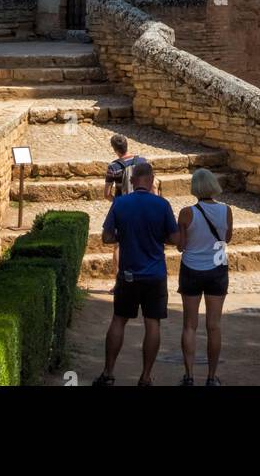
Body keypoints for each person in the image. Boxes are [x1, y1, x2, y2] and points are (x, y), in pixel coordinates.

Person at [92, 162, 179, 386]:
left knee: (118, 320)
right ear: (151, 180)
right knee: (153, 324)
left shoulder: (120, 203)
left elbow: (106, 238)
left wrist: (124, 236)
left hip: (128, 273)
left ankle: (108, 372)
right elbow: (174, 239)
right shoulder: (162, 205)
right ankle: (146, 376)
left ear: (131, 181)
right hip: (155, 274)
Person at [176, 168, 233, 386]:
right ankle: (211, 376)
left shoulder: (186, 212)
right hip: (217, 268)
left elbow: (181, 246)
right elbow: (227, 238)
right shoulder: (226, 210)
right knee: (214, 325)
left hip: (191, 268)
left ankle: (189, 375)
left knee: (190, 325)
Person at [104, 135, 149, 285]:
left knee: (118, 245)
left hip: (123, 208)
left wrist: (117, 201)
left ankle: (119, 281)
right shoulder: (142, 162)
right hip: (143, 205)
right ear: (127, 145)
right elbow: (153, 185)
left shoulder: (113, 167)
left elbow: (106, 194)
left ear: (115, 149)